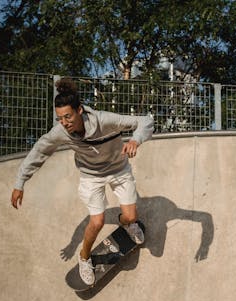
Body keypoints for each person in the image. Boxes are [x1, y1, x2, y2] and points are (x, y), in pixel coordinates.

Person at [10, 77, 154, 285]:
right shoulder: (61, 132)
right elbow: (40, 150)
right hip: (91, 175)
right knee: (97, 222)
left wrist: (135, 139)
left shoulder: (104, 120)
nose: (65, 123)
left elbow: (144, 121)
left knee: (131, 216)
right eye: (60, 118)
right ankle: (84, 258)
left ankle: (127, 224)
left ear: (79, 111)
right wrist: (19, 182)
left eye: (68, 116)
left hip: (118, 169)